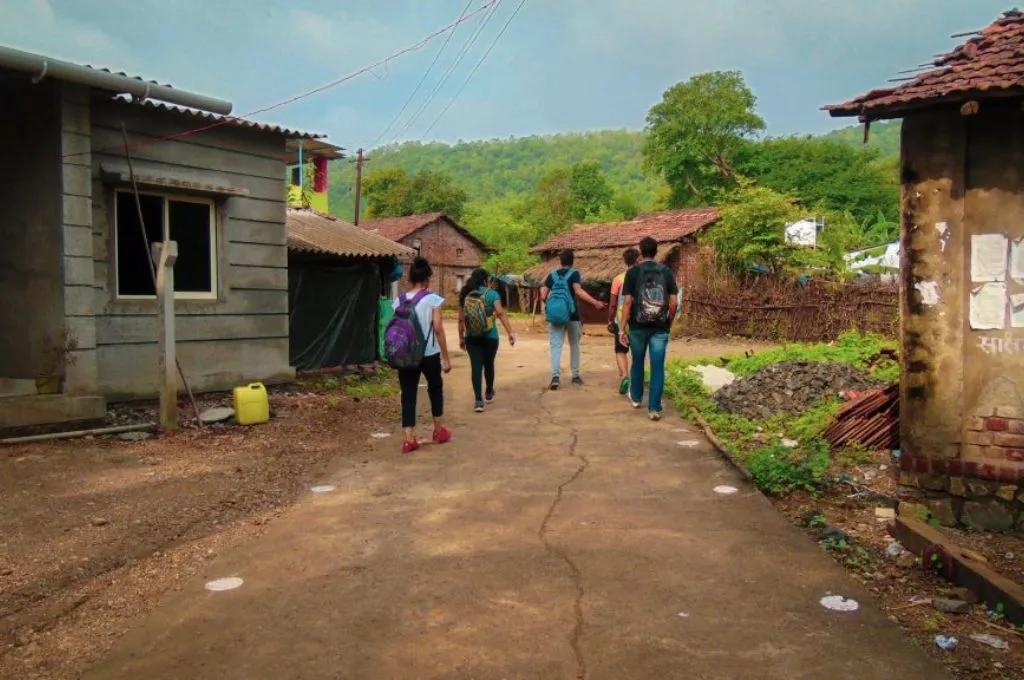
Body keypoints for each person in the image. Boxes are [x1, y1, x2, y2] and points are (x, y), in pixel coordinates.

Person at [393, 257, 452, 453]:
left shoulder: (398, 301)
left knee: (408, 394)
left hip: (406, 355)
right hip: (429, 354)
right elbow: (438, 328)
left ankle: (409, 439)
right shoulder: (433, 299)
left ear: (410, 279)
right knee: (435, 389)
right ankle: (438, 430)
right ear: (427, 278)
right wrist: (446, 357)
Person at [620, 237, 679, 421]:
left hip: (637, 326)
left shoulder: (633, 273)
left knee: (637, 361)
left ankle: (636, 398)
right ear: (656, 251)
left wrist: (622, 328)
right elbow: (674, 302)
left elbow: (628, 302)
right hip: (660, 327)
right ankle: (654, 408)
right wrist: (668, 322)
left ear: (640, 251)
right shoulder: (667, 272)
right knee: (657, 365)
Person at [541, 249, 606, 390]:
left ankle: (555, 377)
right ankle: (575, 376)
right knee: (574, 345)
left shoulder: (551, 275)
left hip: (554, 316)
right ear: (572, 261)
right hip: (572, 315)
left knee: (556, 346)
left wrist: (550, 305)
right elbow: (578, 291)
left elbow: (543, 293)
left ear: (560, 261)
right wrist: (595, 303)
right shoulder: (574, 273)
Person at [458, 268, 517, 412]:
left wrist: (461, 338)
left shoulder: (465, 295)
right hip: (490, 337)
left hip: (472, 337)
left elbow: (460, 320)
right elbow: (500, 313)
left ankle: (478, 401)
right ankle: (489, 392)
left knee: (476, 367)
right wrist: (510, 332)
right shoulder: (492, 294)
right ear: (486, 280)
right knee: (489, 364)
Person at [608, 247, 640, 396]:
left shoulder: (618, 278)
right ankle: (636, 379)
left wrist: (610, 320)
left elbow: (613, 303)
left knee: (620, 350)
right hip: (638, 319)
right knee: (637, 351)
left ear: (625, 261)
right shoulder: (643, 277)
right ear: (638, 259)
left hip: (621, 319)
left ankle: (625, 376)